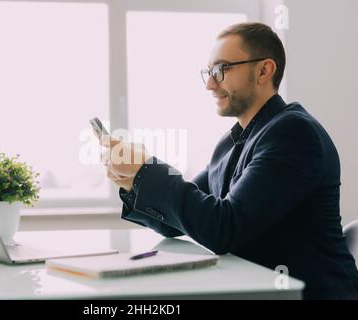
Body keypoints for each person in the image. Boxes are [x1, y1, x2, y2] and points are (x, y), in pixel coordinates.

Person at [98, 22, 358, 299]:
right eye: (209, 72)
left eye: (222, 70)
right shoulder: (232, 141)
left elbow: (224, 229)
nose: (210, 84)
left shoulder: (293, 134)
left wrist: (146, 170)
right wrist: (133, 181)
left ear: (263, 70)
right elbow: (178, 222)